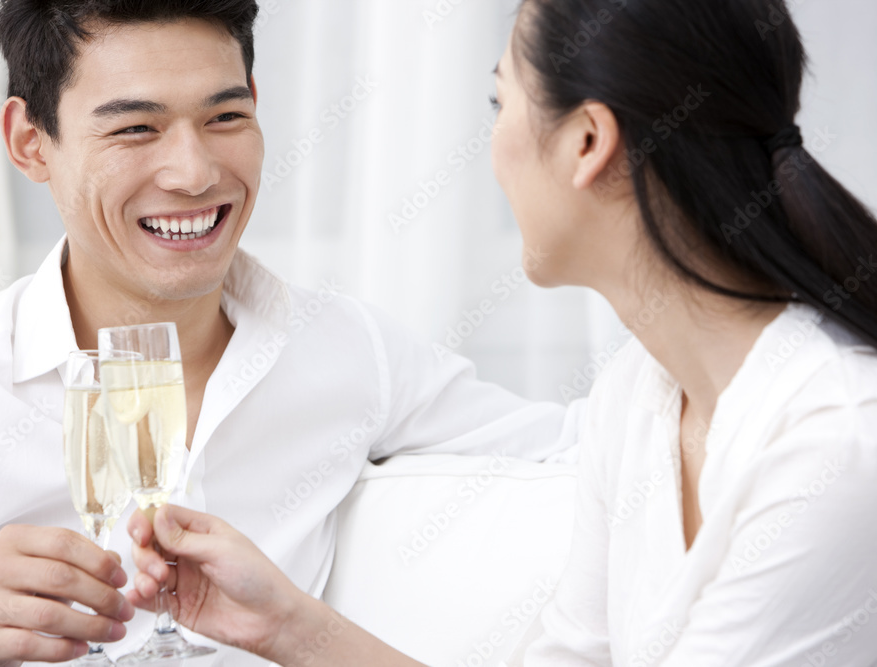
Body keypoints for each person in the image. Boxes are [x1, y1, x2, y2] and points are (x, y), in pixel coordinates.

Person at [118, 0, 877, 664]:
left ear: (587, 142)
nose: (493, 149)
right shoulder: (640, 397)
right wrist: (286, 626)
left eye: (498, 104)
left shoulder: (833, 440)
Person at [0, 1, 583, 665]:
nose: (194, 172)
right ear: (30, 142)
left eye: (223, 117)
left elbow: (586, 449)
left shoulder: (346, 351)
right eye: (135, 128)